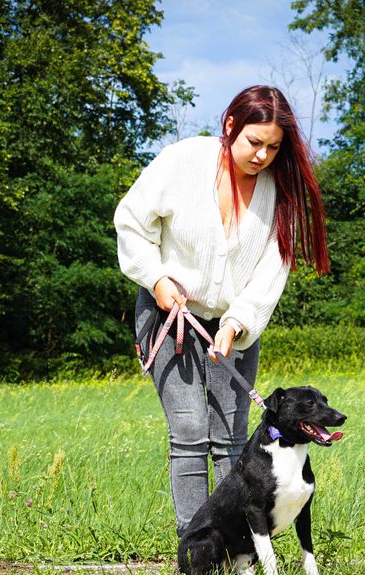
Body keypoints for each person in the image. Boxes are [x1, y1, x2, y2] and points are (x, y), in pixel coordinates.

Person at [114, 85, 330, 536]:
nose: (262, 156)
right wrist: (156, 278)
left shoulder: (278, 191)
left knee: (232, 434)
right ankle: (195, 545)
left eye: (274, 147)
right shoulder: (182, 161)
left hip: (236, 325)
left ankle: (239, 544)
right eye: (254, 142)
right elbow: (131, 222)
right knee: (189, 432)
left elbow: (271, 271)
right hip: (170, 315)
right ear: (230, 125)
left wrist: (235, 324)